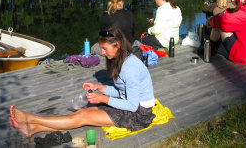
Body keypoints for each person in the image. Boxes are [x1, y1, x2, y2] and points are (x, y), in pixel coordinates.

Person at [9, 28, 155, 137]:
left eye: (105, 49)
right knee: (82, 112)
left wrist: (103, 99)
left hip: (138, 114)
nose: (102, 53)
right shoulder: (120, 59)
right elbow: (123, 92)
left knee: (83, 116)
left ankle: (30, 118)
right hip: (130, 105)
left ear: (117, 45)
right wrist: (100, 87)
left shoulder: (130, 67)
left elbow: (132, 104)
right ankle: (33, 128)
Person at [209, 0, 246, 64]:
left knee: (218, 26)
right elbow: (235, 16)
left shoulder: (239, 16)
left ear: (235, 1)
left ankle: (209, 49)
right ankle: (211, 48)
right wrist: (228, 11)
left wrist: (210, 20)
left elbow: (220, 22)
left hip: (243, 57)